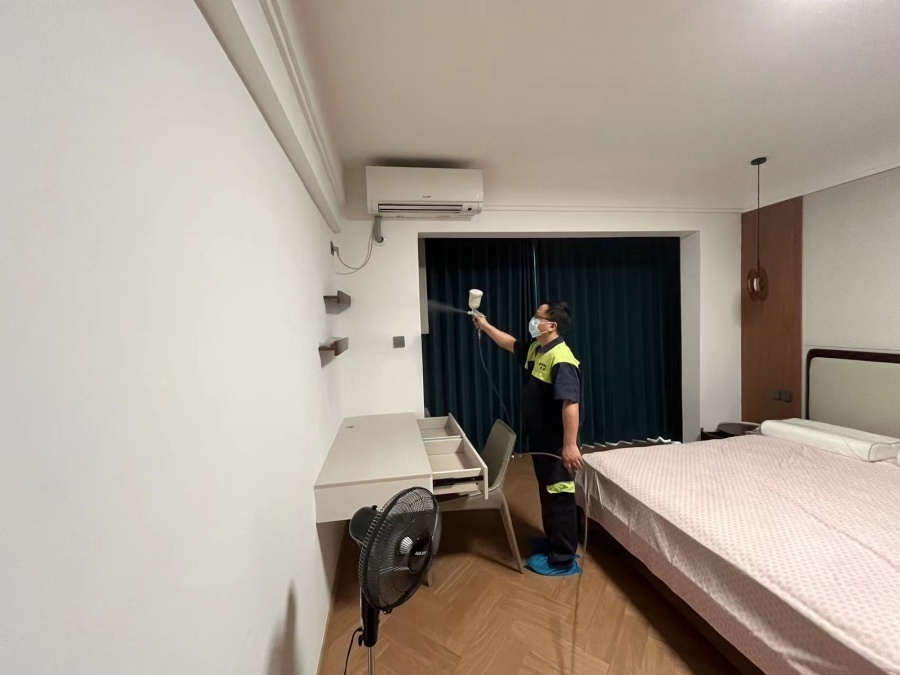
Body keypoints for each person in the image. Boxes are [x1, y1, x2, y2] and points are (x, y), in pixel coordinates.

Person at [474, 300, 584, 574]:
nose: (533, 320)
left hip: (557, 443)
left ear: (551, 325)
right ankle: (554, 542)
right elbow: (510, 343)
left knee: (560, 495)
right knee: (547, 492)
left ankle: (563, 558)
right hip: (541, 439)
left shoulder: (562, 359)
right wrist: (485, 326)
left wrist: (570, 445)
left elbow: (571, 403)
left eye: (538, 317)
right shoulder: (537, 348)